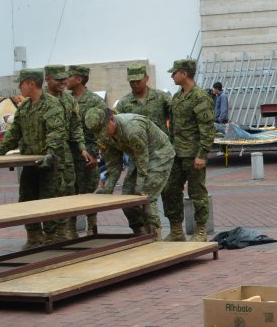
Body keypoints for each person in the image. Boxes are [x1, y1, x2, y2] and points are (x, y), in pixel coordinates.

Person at [0, 69, 70, 247]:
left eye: (21, 84)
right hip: (30, 165)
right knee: (27, 201)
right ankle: (34, 238)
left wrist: (49, 155)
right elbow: (13, 134)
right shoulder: (25, 108)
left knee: (50, 203)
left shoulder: (52, 105)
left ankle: (55, 241)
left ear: (30, 84)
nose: (19, 88)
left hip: (50, 166)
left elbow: (56, 134)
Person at [87, 108, 175, 239]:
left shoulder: (133, 128)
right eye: (98, 132)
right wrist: (108, 188)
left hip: (159, 155)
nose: (103, 134)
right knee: (127, 199)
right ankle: (141, 234)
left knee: (147, 197)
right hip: (137, 157)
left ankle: (156, 238)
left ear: (112, 119)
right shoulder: (103, 135)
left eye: (103, 129)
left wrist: (140, 184)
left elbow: (143, 158)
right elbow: (114, 163)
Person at [162, 58, 215, 242]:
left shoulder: (200, 97)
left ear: (184, 74)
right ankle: (176, 230)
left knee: (197, 193)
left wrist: (202, 154)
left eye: (174, 72)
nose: (172, 76)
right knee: (169, 190)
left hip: (193, 155)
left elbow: (207, 129)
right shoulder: (177, 97)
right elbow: (172, 127)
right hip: (176, 154)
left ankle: (201, 231)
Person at [45, 64, 92, 238]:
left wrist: (82, 148)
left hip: (65, 155)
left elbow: (75, 128)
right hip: (44, 154)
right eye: (58, 79)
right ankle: (47, 234)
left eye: (64, 79)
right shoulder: (39, 100)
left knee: (68, 192)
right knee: (46, 194)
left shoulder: (69, 100)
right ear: (47, 79)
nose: (62, 83)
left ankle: (65, 231)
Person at [67, 65, 107, 235]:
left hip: (88, 155)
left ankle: (92, 228)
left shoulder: (94, 101)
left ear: (79, 79)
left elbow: (105, 128)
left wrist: (98, 154)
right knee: (70, 192)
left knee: (89, 192)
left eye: (69, 76)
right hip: (69, 155)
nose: (65, 80)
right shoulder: (66, 100)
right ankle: (71, 229)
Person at [115, 63, 171, 132]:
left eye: (138, 81)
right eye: (132, 81)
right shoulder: (123, 103)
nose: (135, 84)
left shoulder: (161, 97)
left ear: (147, 78)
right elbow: (115, 123)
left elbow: (177, 117)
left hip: (159, 142)